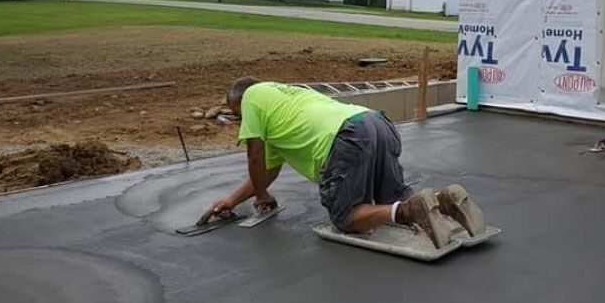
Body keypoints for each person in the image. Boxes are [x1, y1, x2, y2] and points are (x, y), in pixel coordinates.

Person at [202, 77, 486, 248]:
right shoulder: (282, 99)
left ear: (239, 102)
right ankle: (444, 202)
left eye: (238, 115)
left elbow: (254, 157)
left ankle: (411, 212)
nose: (241, 121)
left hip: (346, 136)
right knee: (391, 198)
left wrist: (263, 196)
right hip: (375, 122)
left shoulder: (251, 97)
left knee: (346, 217)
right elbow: (265, 172)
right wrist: (233, 200)